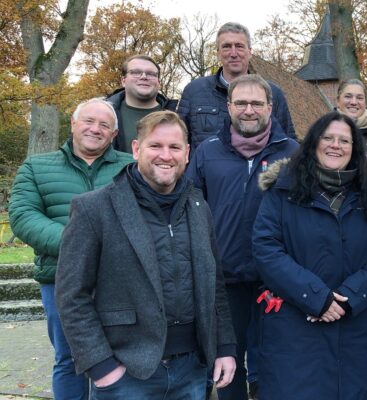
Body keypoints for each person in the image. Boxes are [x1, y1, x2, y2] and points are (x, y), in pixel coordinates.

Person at [54, 111, 237, 398]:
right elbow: (71, 295)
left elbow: (216, 285)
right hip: (127, 373)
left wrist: (224, 347)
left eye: (174, 147)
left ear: (187, 154)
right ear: (137, 149)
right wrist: (101, 366)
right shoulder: (95, 209)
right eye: (156, 146)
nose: (166, 155)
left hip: (192, 369)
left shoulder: (198, 206)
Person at [252, 111, 367, 399]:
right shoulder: (283, 190)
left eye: (344, 140)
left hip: (353, 328)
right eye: (328, 138)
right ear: (314, 142)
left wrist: (348, 297)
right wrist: (317, 297)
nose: (335, 145)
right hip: (295, 328)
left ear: (355, 148)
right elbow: (266, 247)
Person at [8, 98, 134, 400]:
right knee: (70, 358)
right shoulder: (37, 166)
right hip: (61, 279)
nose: (95, 129)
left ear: (114, 134)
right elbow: (24, 216)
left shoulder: (131, 167)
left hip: (119, 281)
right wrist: (79, 245)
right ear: (73, 124)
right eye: (89, 121)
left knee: (122, 357)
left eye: (105, 125)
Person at [186, 74, 299, 400]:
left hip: (276, 282)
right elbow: (192, 209)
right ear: (229, 106)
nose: (249, 110)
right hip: (225, 280)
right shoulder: (207, 153)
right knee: (228, 365)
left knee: (274, 366)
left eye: (256, 103)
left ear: (270, 107)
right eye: (241, 103)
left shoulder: (292, 152)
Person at [178, 22, 295, 149]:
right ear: (218, 53)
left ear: (250, 52)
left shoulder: (273, 93)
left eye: (239, 46)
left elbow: (287, 144)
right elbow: (178, 142)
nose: (233, 53)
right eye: (227, 46)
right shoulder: (194, 91)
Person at [107, 54, 178, 153]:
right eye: (136, 72)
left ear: (159, 82)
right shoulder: (104, 113)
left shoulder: (177, 116)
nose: (144, 77)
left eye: (151, 74)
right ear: (123, 81)